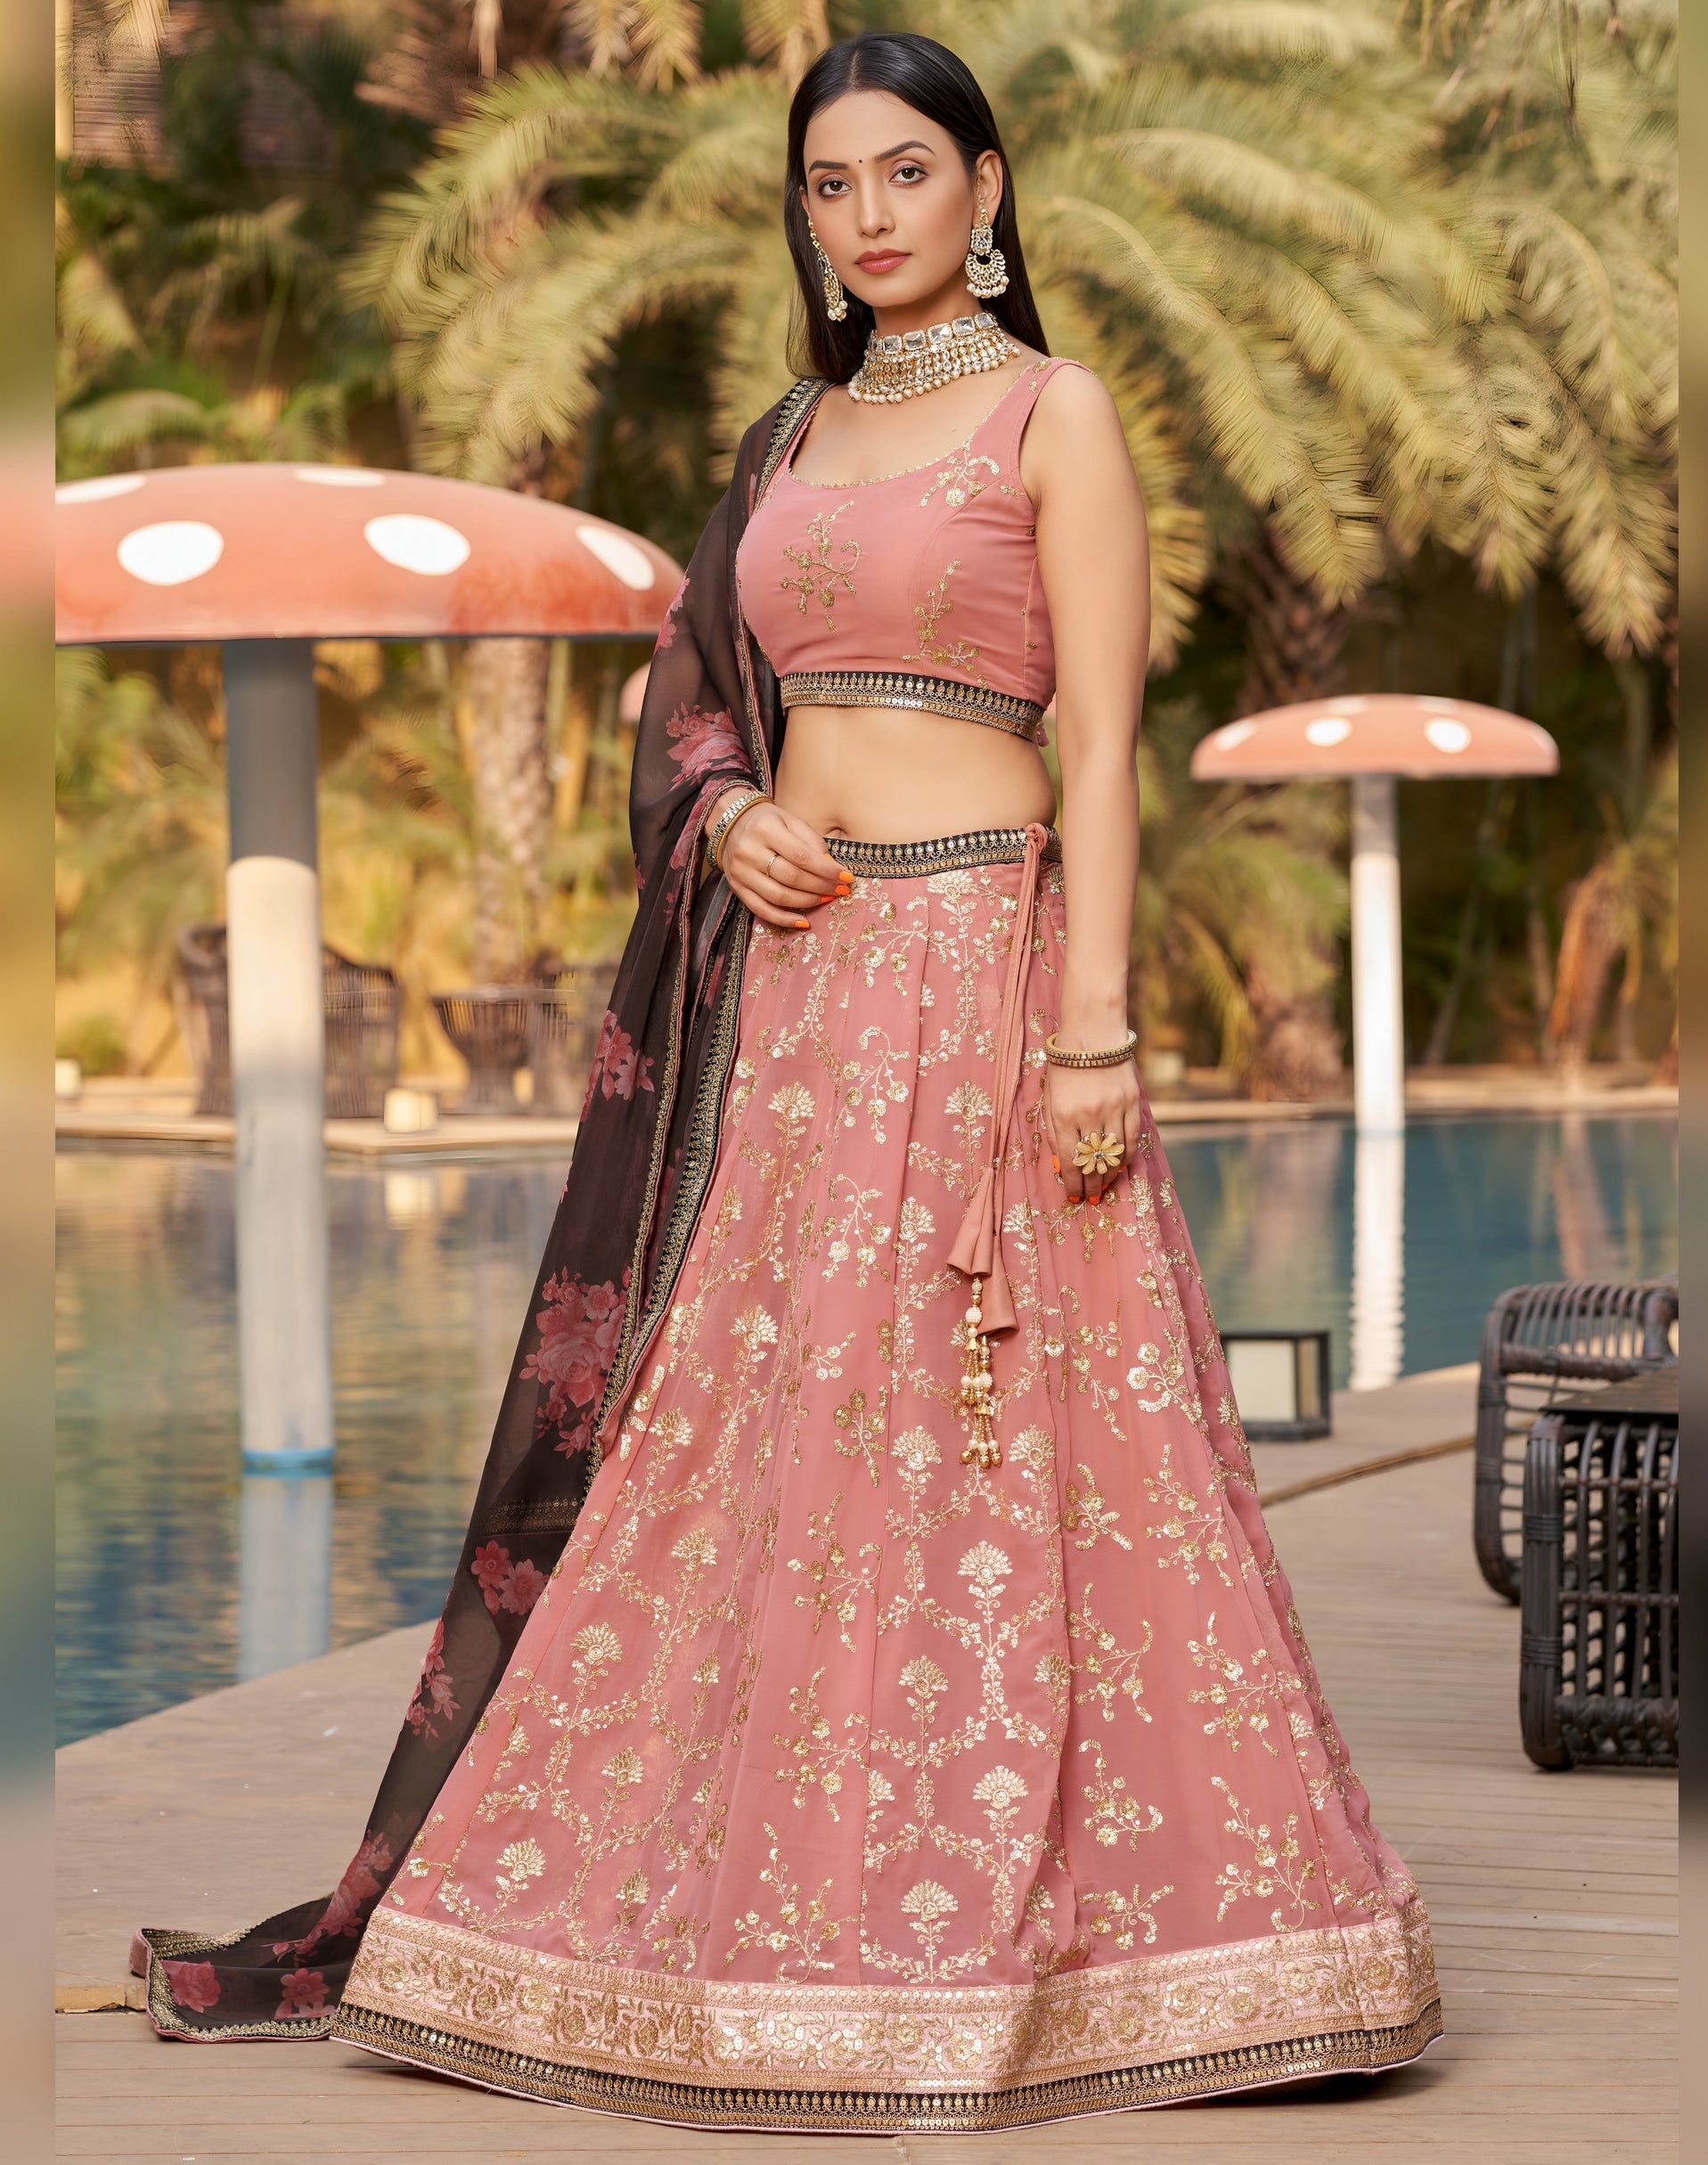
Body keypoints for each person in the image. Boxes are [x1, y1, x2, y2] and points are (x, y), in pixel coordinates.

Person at [135, 30, 1441, 2132]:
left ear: (988, 188)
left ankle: (1123, 1951)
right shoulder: (791, 432)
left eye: (905, 173)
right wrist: (727, 806)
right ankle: (740, 1932)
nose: (866, 216)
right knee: (770, 1441)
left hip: (984, 961)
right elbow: (701, 693)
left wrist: (1091, 1027)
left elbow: (1098, 744)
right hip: (806, 1000)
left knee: (1017, 1432)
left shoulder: (1056, 411)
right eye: (828, 184)